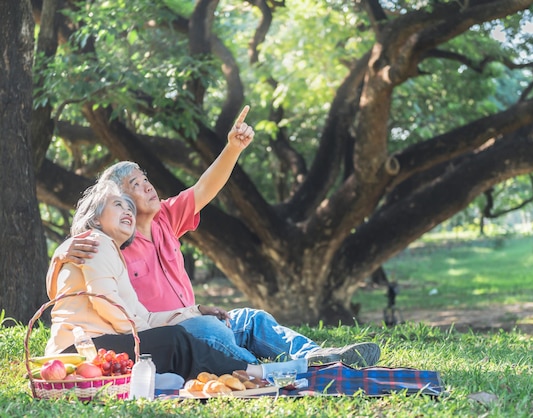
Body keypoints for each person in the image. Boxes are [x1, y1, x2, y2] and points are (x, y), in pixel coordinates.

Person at [55, 105, 380, 367]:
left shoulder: (166, 217)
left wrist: (233, 148)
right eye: (135, 186)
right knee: (213, 331)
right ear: (118, 202)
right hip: (168, 334)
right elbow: (86, 254)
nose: (147, 186)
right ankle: (267, 373)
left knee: (251, 319)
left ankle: (318, 357)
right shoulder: (113, 242)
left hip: (193, 317)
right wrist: (65, 249)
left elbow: (204, 188)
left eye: (145, 178)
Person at [46, 180, 307, 381]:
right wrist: (153, 335)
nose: (127, 211)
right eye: (117, 204)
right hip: (78, 349)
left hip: (99, 344)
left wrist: (193, 312)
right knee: (174, 340)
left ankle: (276, 367)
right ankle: (258, 373)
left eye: (129, 207)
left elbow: (144, 316)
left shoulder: (112, 250)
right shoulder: (94, 242)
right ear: (95, 216)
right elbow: (106, 304)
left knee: (177, 337)